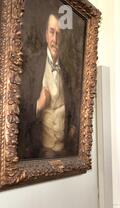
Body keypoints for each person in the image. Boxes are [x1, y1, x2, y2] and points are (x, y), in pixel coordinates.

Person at [19, 14, 77, 160]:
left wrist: (73, 127)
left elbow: (73, 108)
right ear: (46, 35)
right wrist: (38, 105)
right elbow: (18, 112)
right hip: (39, 153)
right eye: (51, 32)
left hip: (64, 152)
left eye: (59, 34)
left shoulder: (68, 73)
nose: (55, 40)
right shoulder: (32, 66)